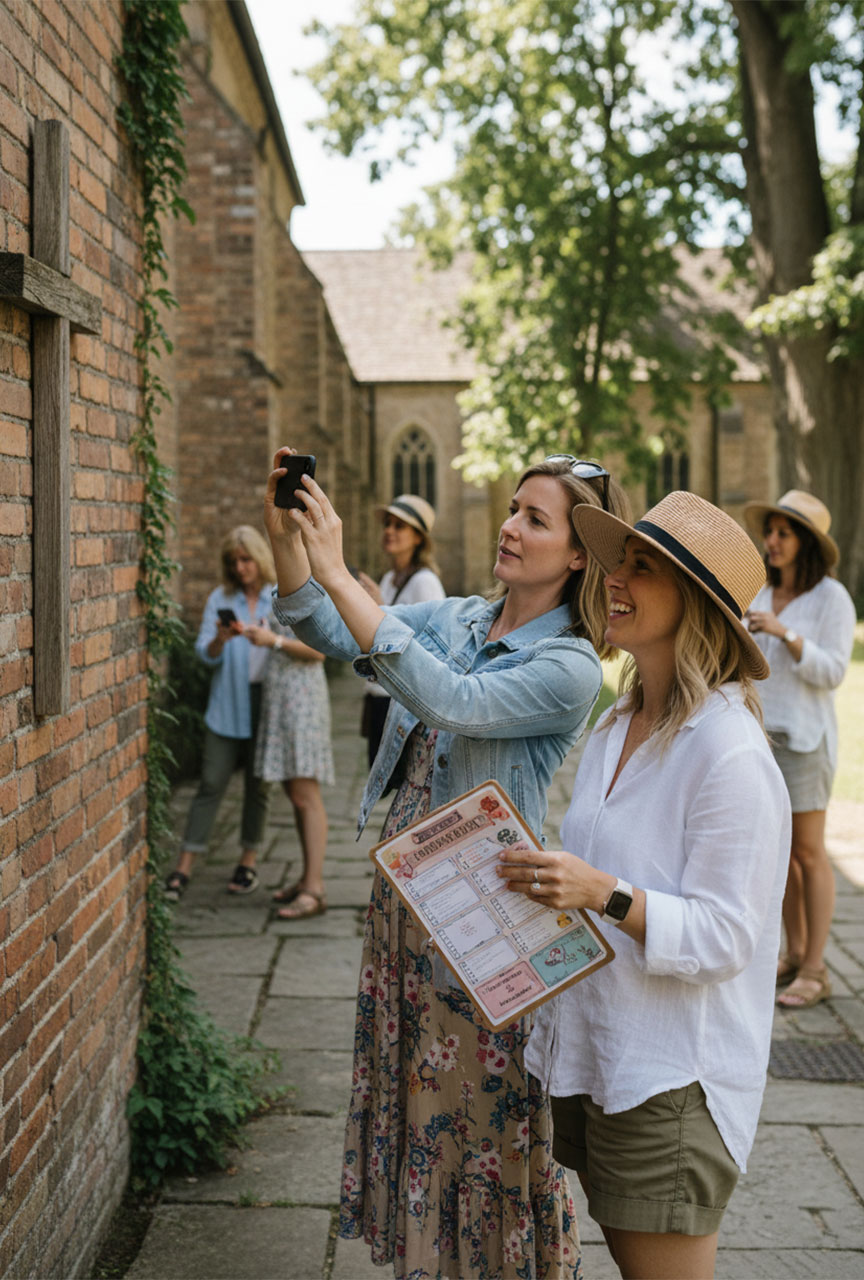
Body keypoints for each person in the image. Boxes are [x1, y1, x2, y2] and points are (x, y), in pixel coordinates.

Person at [263, 445, 631, 1280]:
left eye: (534, 519)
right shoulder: (464, 617)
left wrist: (336, 569)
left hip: (487, 922)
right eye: (512, 507)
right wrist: (291, 536)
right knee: (420, 1105)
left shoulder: (569, 665)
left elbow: (448, 700)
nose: (508, 526)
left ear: (579, 553)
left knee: (481, 1121)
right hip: (407, 908)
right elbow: (321, 623)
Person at [497, 491, 790, 1280]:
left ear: (694, 601)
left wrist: (602, 892)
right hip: (599, 1049)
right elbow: (601, 873)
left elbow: (728, 937)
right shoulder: (617, 716)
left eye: (642, 566)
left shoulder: (729, 754)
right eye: (620, 559)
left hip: (671, 1078)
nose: (615, 578)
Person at [743, 490, 856, 1010]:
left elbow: (833, 671)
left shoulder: (831, 598)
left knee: (810, 855)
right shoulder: (760, 593)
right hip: (760, 737)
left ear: (805, 543)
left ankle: (817, 970)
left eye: (783, 534)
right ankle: (793, 953)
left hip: (806, 743)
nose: (771, 542)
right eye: (770, 532)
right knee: (781, 857)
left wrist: (786, 634)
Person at [164, 526, 276, 900]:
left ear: (259, 558)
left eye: (246, 560)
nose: (241, 568)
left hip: (267, 702)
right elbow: (203, 655)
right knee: (211, 783)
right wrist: (219, 640)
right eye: (234, 562)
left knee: (258, 787)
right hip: (226, 704)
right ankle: (184, 865)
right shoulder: (220, 598)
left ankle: (248, 861)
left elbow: (295, 645)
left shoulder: (277, 597)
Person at [246, 604, 336, 920]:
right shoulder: (281, 587)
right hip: (283, 696)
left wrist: (273, 641)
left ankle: (315, 889)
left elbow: (319, 651)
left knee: (305, 796)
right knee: (295, 796)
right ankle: (307, 878)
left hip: (302, 700)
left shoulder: (310, 593)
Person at [358, 494, 445, 765]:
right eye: (387, 524)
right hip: (379, 698)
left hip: (404, 707)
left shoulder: (425, 583)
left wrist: (381, 607)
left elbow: (436, 649)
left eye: (399, 526)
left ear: (418, 537)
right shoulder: (388, 579)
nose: (389, 531)